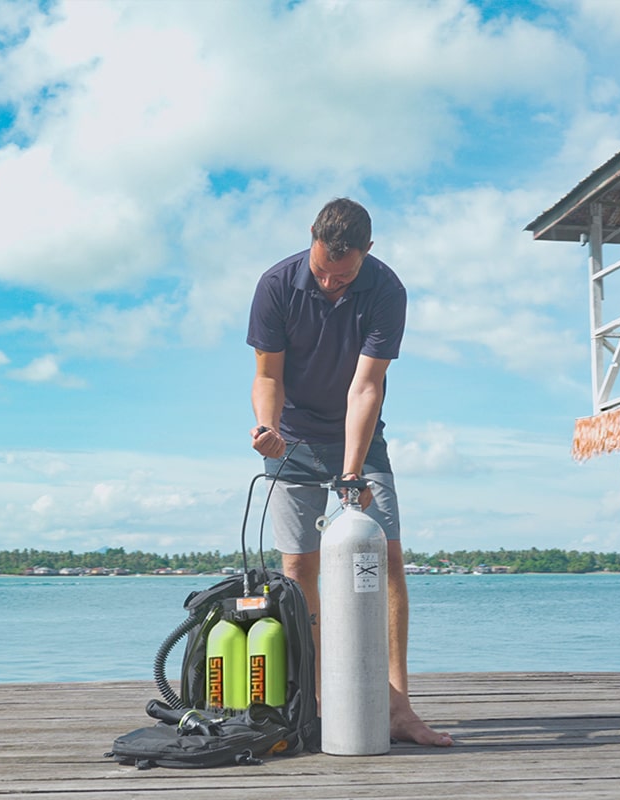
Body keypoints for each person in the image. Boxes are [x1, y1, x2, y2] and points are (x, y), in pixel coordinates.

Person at [246, 197, 453, 747]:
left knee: (384, 558)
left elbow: (366, 386)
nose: (332, 283)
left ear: (368, 253)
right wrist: (266, 426)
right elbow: (268, 375)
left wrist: (351, 473)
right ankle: (314, 704)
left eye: (344, 274)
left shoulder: (386, 290)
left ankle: (395, 707)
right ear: (311, 239)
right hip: (291, 435)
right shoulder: (275, 286)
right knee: (298, 567)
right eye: (322, 271)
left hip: (358, 434)